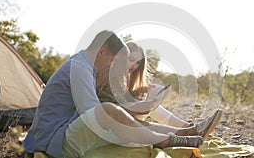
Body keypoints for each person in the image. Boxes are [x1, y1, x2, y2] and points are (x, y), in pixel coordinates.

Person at [23, 30, 211, 158]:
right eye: (113, 60)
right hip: (52, 141)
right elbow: (92, 111)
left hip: (62, 131)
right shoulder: (79, 67)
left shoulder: (85, 66)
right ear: (102, 51)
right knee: (109, 112)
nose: (111, 66)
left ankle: (183, 133)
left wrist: (131, 111)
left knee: (128, 121)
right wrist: (131, 109)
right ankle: (166, 140)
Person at [96, 42, 222, 144]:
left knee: (149, 107)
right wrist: (142, 103)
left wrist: (141, 90)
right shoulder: (109, 75)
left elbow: (120, 99)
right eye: (131, 59)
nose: (134, 66)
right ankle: (188, 129)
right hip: (110, 122)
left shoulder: (123, 77)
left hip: (119, 118)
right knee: (148, 109)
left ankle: (188, 129)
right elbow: (110, 104)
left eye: (138, 63)